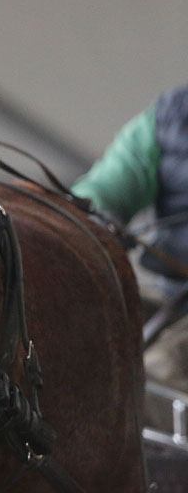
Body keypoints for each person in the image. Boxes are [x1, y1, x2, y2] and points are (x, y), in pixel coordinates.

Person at [73, 84, 188, 392]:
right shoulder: (170, 118)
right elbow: (104, 190)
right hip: (172, 301)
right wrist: (94, 219)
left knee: (163, 366)